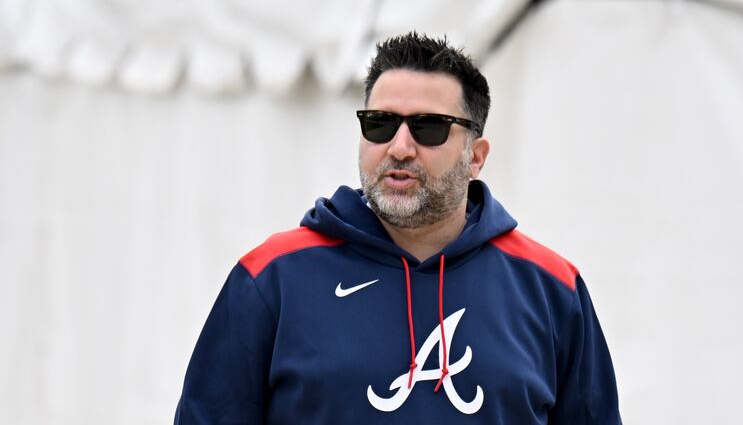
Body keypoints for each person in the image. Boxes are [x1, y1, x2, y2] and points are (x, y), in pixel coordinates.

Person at [175, 32, 621, 424]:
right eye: (381, 124)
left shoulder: (551, 287)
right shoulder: (272, 277)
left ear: (477, 156)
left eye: (429, 128)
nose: (400, 147)